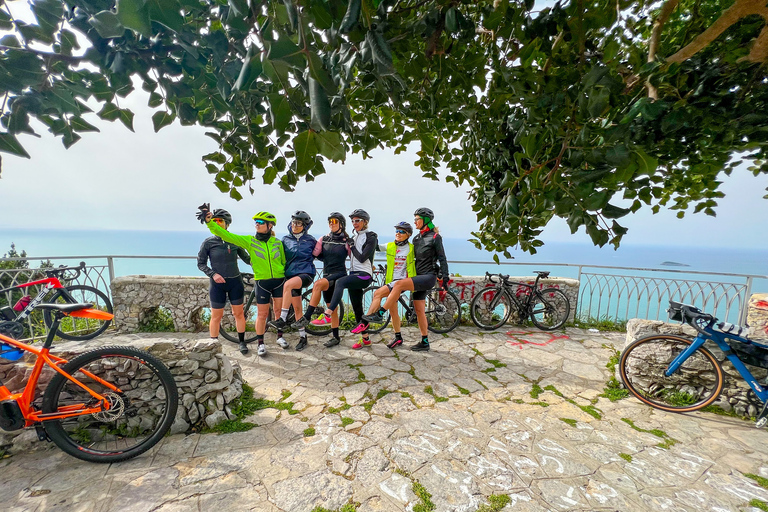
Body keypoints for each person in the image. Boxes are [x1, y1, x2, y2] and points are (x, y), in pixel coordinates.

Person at [202, 206, 285, 356]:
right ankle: (214, 346)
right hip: (244, 282)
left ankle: (269, 338)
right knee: (221, 316)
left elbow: (277, 261)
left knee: (270, 312)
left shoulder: (277, 243)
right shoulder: (247, 241)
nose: (257, 224)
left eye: (260, 221)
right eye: (256, 222)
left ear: (269, 225)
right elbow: (223, 236)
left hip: (269, 281)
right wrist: (209, 223)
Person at [362, 207, 448, 351]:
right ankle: (425, 342)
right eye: (414, 219)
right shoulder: (416, 239)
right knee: (420, 310)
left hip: (428, 276)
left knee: (399, 285)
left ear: (425, 220)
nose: (415, 222)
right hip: (417, 277)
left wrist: (444, 278)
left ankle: (380, 313)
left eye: (417, 219)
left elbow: (442, 258)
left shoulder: (435, 238)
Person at [309, 209, 378, 349]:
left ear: (365, 222)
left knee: (341, 281)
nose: (354, 223)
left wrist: (351, 246)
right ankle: (365, 339)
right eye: (353, 221)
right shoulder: (354, 236)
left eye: (357, 220)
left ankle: (328, 313)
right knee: (357, 308)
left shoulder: (371, 236)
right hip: (354, 274)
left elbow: (363, 257)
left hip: (364, 274)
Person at [350, 222, 415, 349]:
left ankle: (364, 323)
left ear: (409, 235)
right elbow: (373, 248)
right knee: (393, 311)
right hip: (391, 281)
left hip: (403, 282)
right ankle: (398, 337)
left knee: (377, 293)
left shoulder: (412, 248)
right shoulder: (390, 246)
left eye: (402, 232)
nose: (398, 233)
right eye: (397, 230)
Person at [292, 212, 350, 349]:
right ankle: (336, 337)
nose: (331, 223)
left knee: (317, 284)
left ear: (341, 224)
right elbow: (313, 254)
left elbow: (357, 257)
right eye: (329, 221)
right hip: (327, 273)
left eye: (335, 221)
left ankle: (306, 317)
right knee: (333, 309)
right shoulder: (323, 239)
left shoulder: (346, 241)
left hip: (339, 275)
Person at [197, 209, 251, 344]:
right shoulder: (208, 243)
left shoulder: (234, 241)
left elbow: (248, 259)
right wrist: (213, 274)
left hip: (235, 283)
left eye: (220, 221)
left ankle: (242, 342)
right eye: (214, 221)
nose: (217, 223)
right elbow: (201, 263)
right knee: (216, 316)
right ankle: (212, 345)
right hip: (217, 284)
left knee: (238, 314)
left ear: (227, 224)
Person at [268, 211, 316, 350]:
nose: (295, 225)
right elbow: (277, 255)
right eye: (294, 222)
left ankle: (281, 319)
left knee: (288, 285)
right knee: (297, 309)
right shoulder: (285, 240)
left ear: (305, 226)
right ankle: (303, 337)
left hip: (306, 274)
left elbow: (322, 253)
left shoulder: (311, 240)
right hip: (290, 275)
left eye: (299, 223)